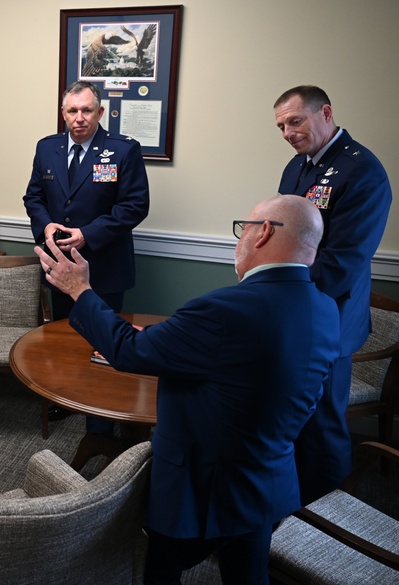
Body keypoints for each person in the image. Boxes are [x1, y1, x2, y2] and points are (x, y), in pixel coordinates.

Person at [35, 194, 339, 585]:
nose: (237, 240)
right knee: (248, 575)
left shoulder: (223, 309)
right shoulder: (326, 308)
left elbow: (130, 352)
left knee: (160, 573)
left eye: (242, 229)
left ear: (264, 233)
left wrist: (80, 290)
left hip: (198, 489)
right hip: (267, 480)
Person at [274, 85, 392, 504]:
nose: (288, 132)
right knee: (296, 416)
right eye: (282, 126)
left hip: (330, 315)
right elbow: (285, 236)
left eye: (295, 121)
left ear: (324, 113)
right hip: (295, 309)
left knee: (323, 422)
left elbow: (343, 261)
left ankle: (323, 514)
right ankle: (292, 502)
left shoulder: (363, 171)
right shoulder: (297, 167)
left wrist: (282, 292)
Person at [23, 80, 149, 425]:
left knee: (104, 344)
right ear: (63, 114)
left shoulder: (123, 150)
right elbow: (33, 197)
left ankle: (102, 420)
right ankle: (67, 398)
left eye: (87, 110)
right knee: (65, 337)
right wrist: (45, 225)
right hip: (60, 265)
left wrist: (87, 235)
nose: (80, 118)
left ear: (100, 112)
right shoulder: (46, 148)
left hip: (105, 267)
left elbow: (136, 206)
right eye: (72, 111)